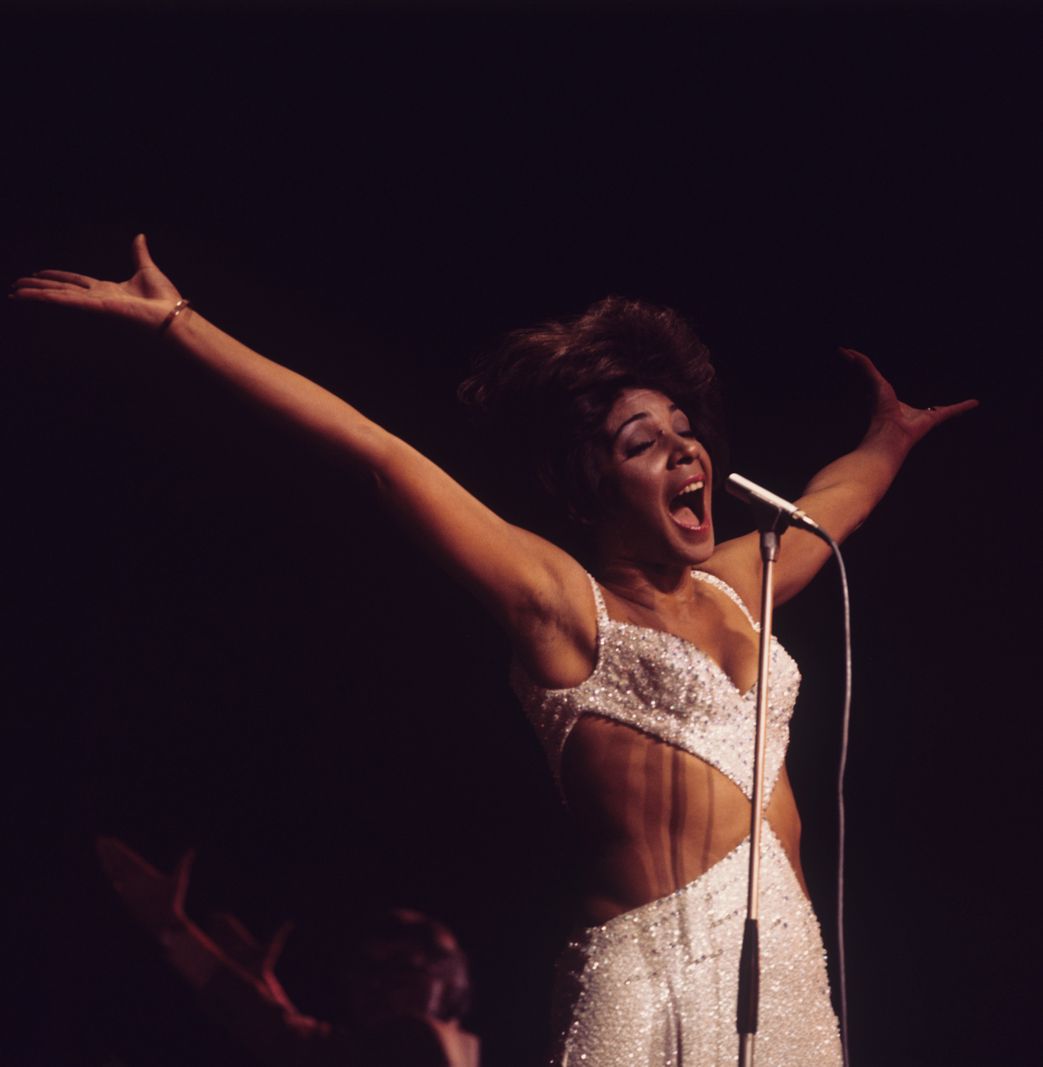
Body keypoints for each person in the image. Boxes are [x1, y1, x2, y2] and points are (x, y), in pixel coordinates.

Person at [13, 236, 975, 1065]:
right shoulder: (560, 603)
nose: (688, 455)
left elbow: (834, 500)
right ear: (590, 484)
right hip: (645, 985)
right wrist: (181, 321)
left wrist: (888, 439)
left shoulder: (743, 580)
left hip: (789, 972)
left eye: (688, 435)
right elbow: (378, 454)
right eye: (646, 444)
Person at [96, 836, 480, 1067]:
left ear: (450, 985)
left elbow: (299, 1047)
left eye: (400, 969)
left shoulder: (422, 1040)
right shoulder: (450, 1054)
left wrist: (175, 932)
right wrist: (265, 990)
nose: (377, 986)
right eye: (366, 972)